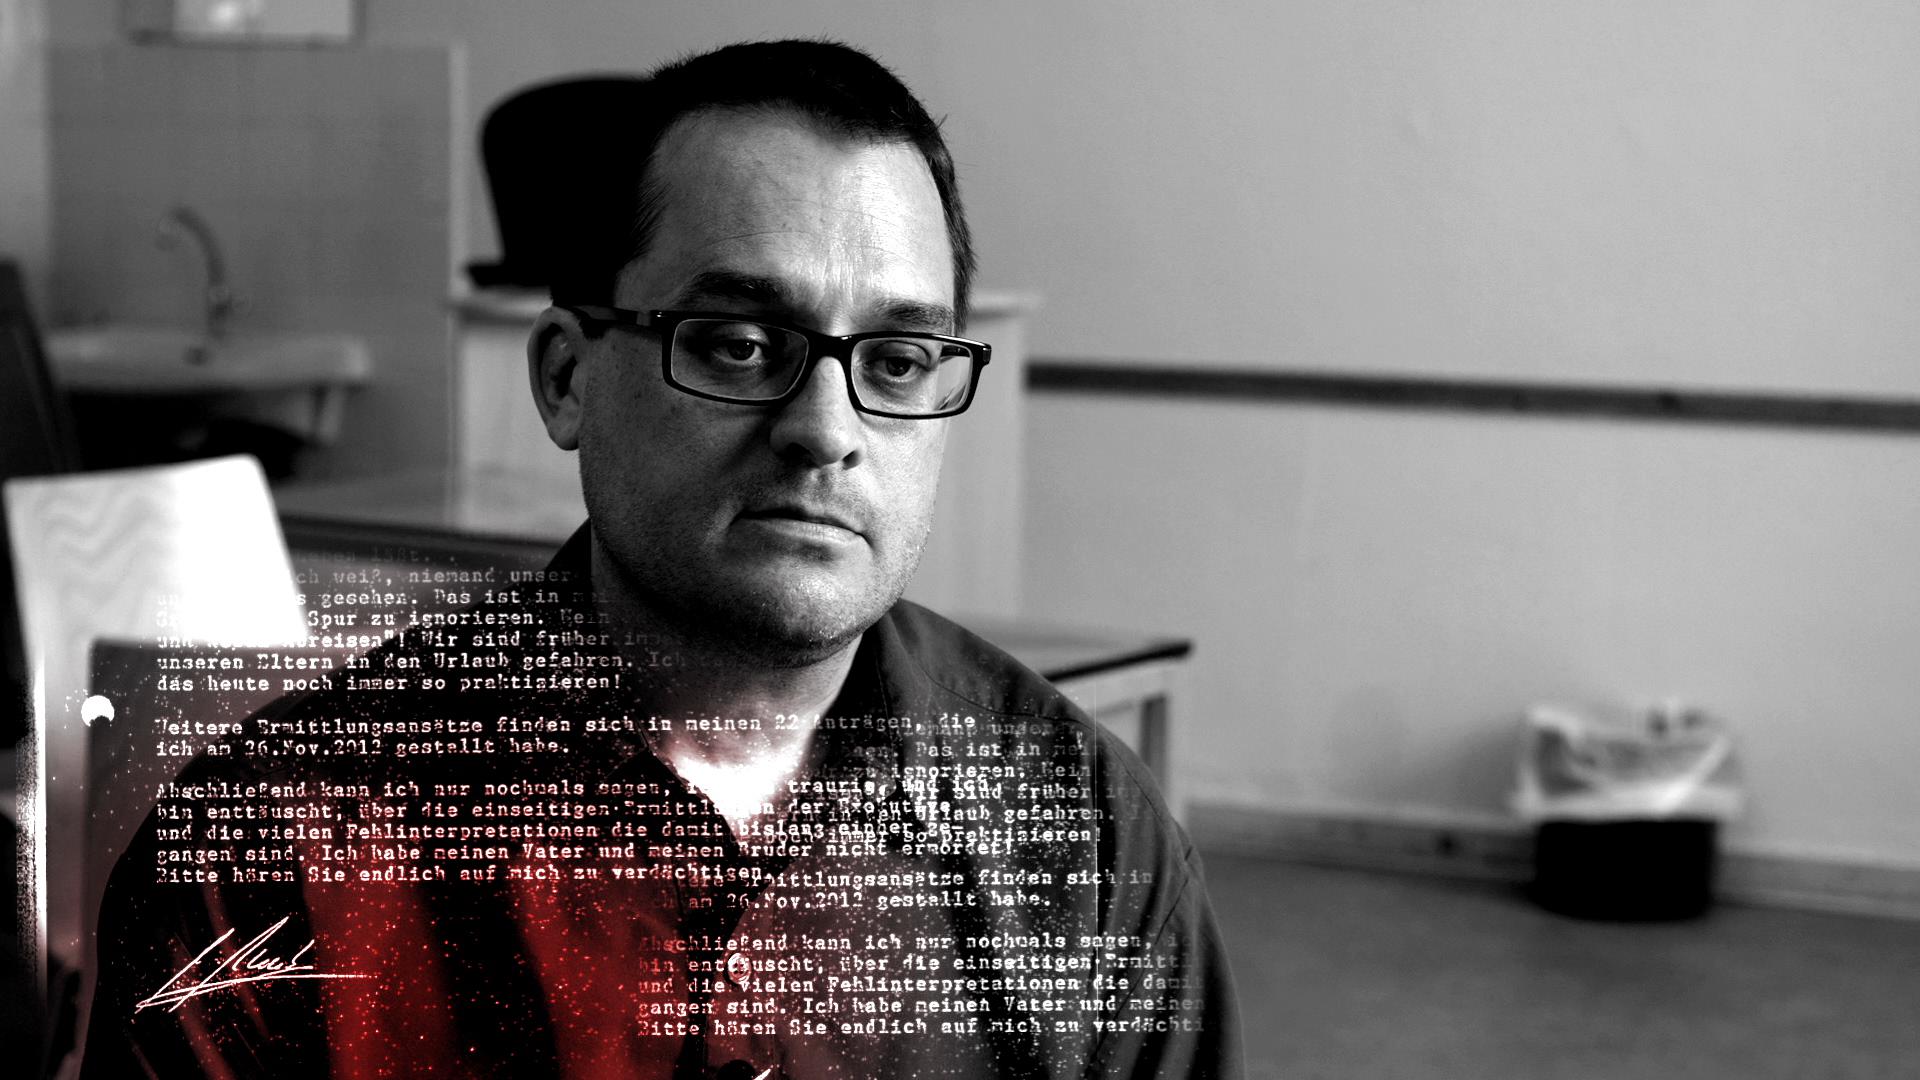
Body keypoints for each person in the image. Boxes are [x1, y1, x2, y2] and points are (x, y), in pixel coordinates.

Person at [83, 40, 1241, 1078]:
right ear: (567, 379)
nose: (826, 429)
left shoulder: (1085, 840)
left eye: (896, 363)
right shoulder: (271, 865)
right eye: (738, 345)